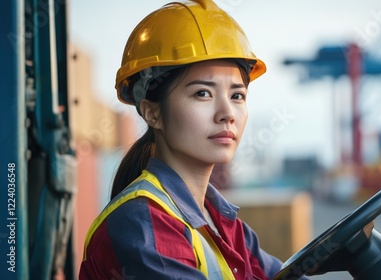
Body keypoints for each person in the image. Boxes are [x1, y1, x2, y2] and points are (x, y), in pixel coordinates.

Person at [79, 1, 310, 279]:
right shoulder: (144, 222)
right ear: (152, 112)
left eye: (237, 96)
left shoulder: (222, 220)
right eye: (203, 93)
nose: (227, 114)